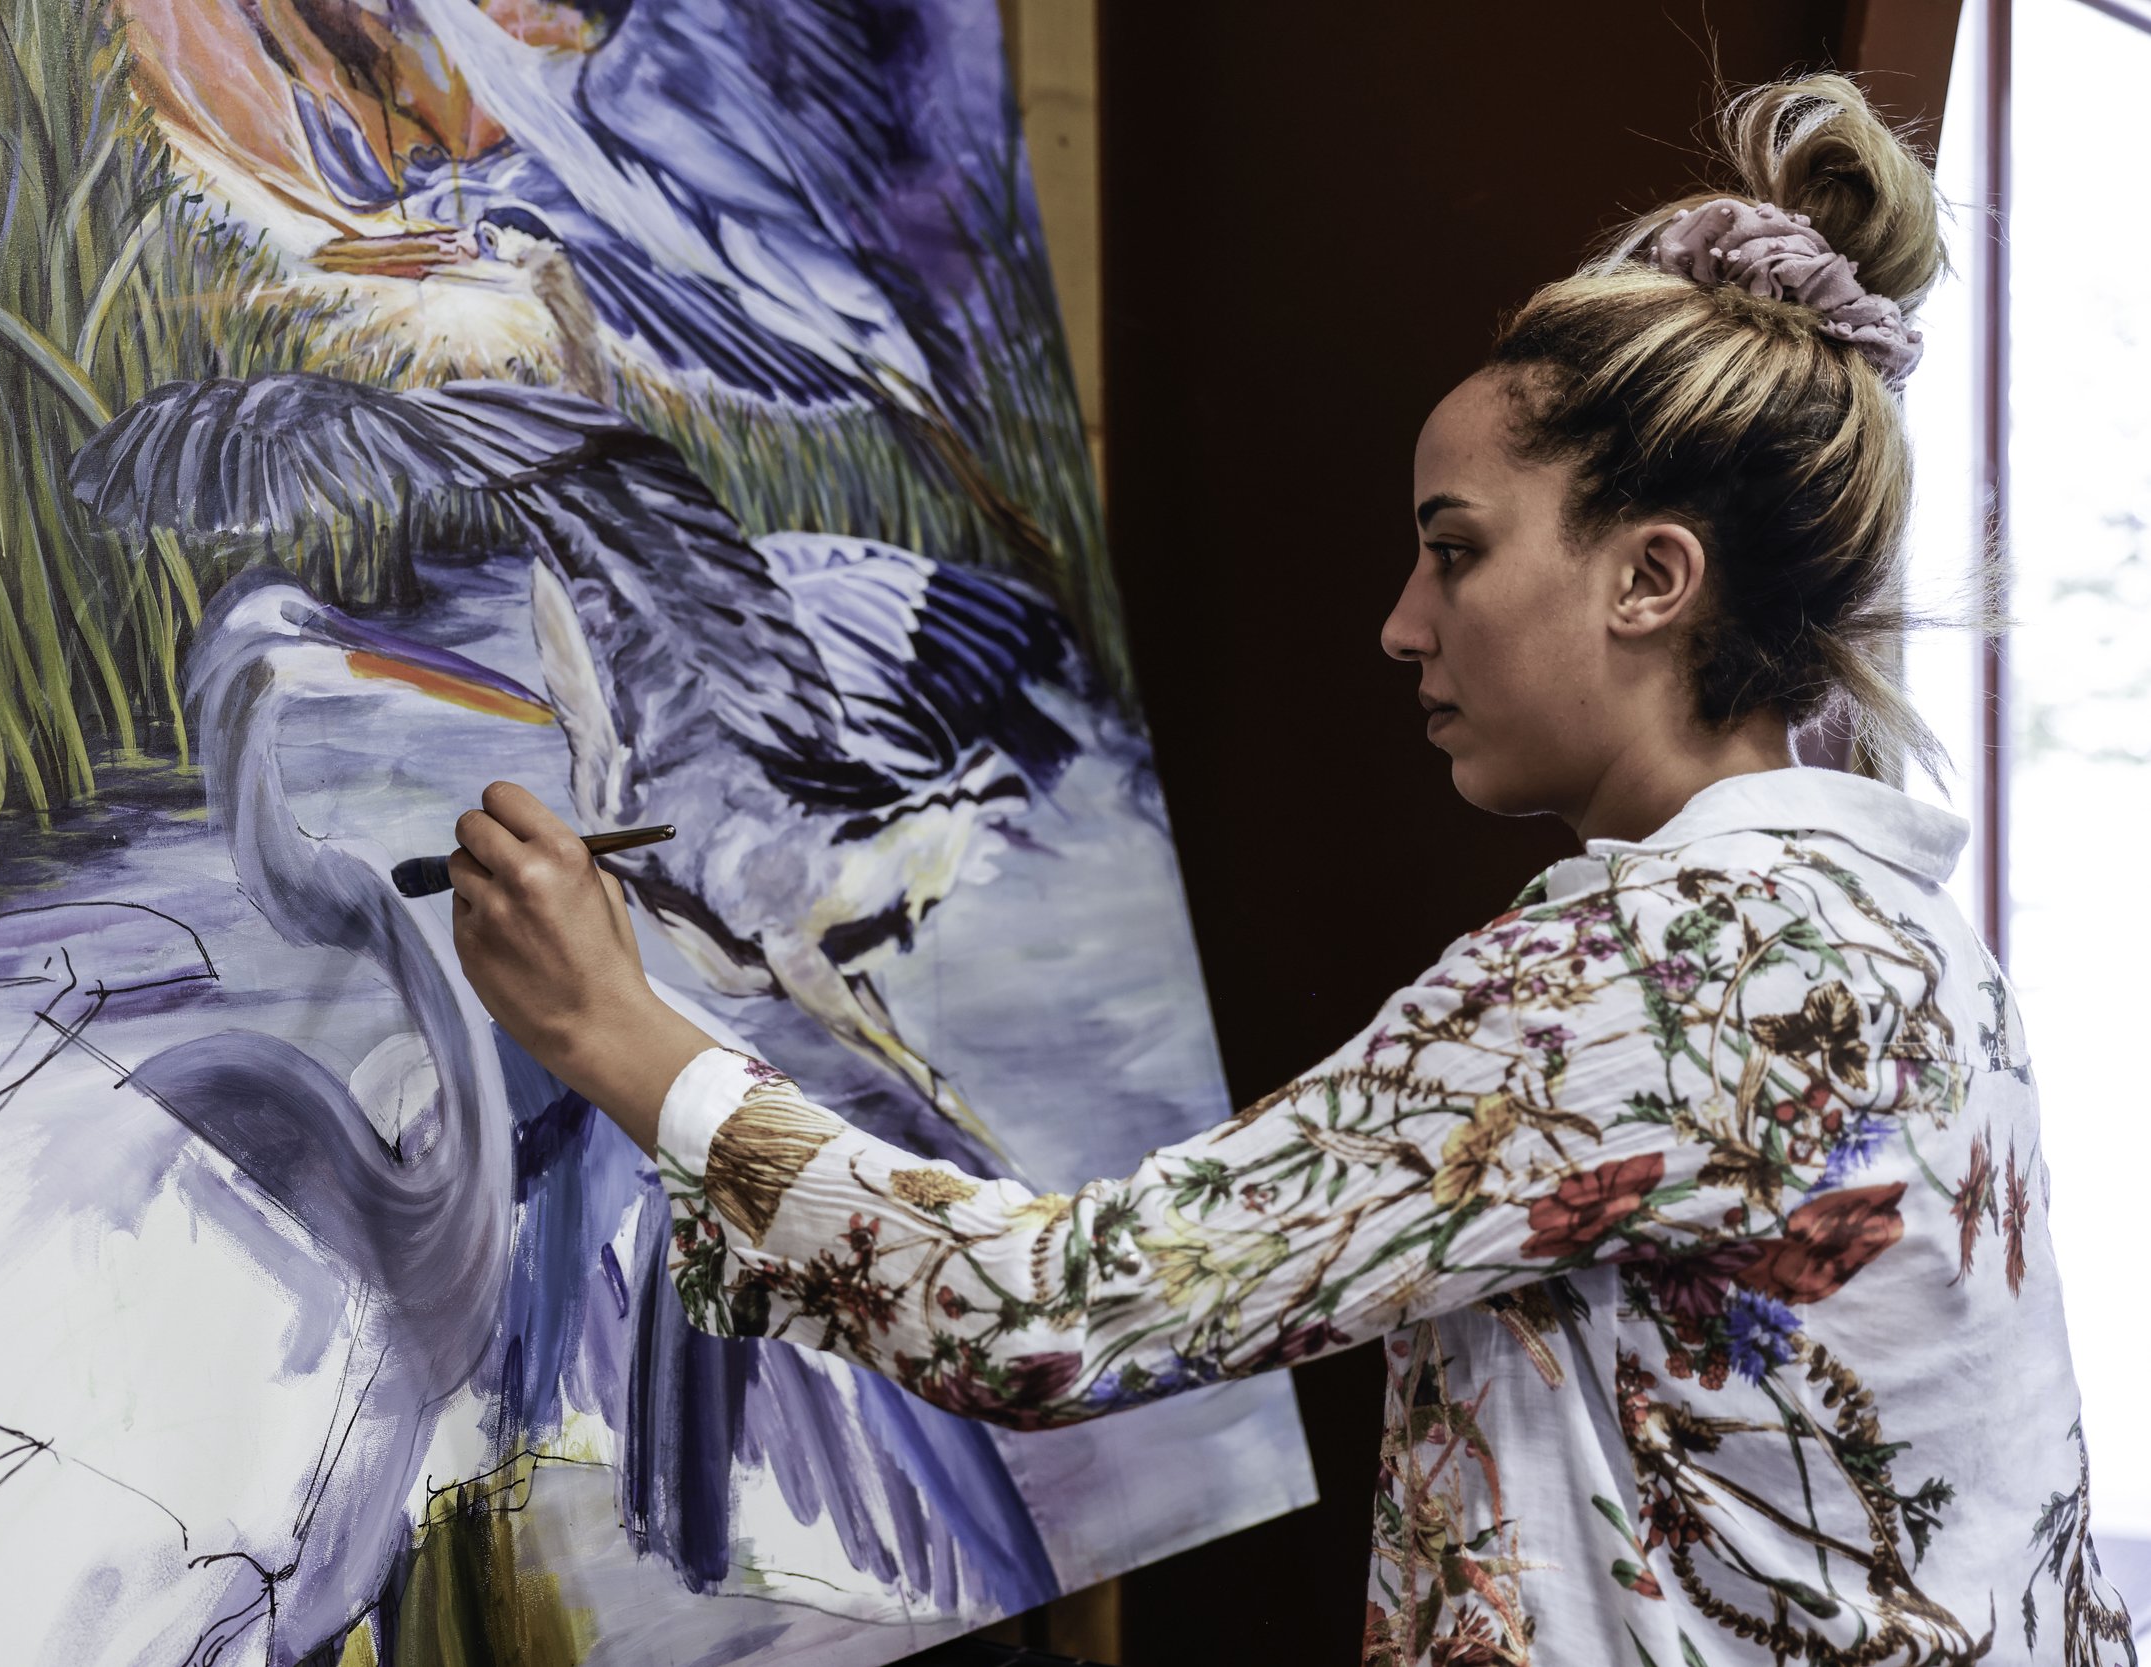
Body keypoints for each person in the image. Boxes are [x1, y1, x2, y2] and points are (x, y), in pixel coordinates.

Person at [436, 74, 2135, 1667]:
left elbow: (1044, 1314)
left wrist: (617, 1034)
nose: (1402, 624)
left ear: (1651, 579)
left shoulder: (1655, 974)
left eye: (1456, 552)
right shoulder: (1902, 928)